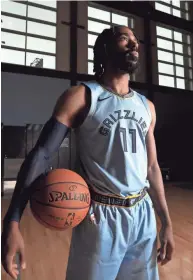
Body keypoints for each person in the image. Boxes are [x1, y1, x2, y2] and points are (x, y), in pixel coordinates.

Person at [1, 26, 175, 280]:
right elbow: (41, 155)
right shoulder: (82, 97)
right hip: (101, 217)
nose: (133, 45)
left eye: (136, 41)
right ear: (104, 48)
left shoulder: (146, 106)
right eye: (124, 38)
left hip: (142, 215)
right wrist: (12, 221)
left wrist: (167, 222)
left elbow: (152, 168)